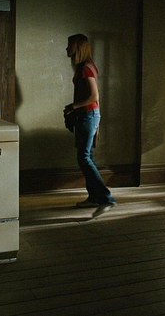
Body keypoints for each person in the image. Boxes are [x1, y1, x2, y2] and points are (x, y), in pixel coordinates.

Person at [63, 33, 116, 217]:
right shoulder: (85, 66)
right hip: (87, 115)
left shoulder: (86, 68)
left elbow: (94, 96)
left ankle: (106, 198)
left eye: (69, 45)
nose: (67, 48)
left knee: (84, 157)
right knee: (86, 157)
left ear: (78, 47)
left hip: (88, 115)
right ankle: (94, 197)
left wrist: (73, 106)